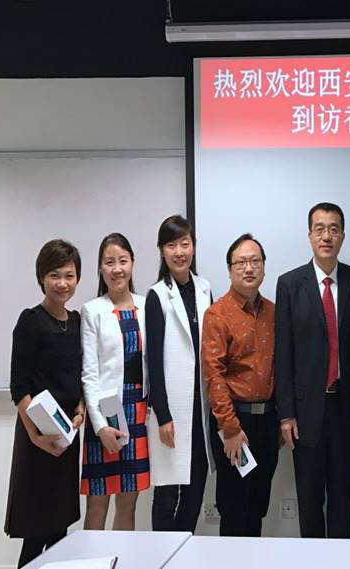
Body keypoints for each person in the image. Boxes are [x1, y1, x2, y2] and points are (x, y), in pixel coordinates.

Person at [275, 202, 350, 538]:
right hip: (305, 413)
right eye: (320, 229)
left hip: (346, 409)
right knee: (309, 502)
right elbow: (283, 354)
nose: (326, 236)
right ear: (309, 236)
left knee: (343, 501)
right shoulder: (289, 284)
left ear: (342, 236)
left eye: (333, 229)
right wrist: (286, 414)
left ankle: (343, 560)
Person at [5, 240, 84, 567]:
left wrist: (80, 409)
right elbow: (19, 386)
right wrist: (36, 436)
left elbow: (80, 374)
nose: (62, 283)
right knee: (36, 531)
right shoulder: (30, 321)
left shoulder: (77, 321)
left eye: (69, 275)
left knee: (59, 529)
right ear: (41, 278)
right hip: (36, 438)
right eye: (54, 275)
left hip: (67, 436)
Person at [202, 233, 279, 536]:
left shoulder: (273, 312)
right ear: (230, 269)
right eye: (241, 262)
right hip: (235, 424)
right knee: (234, 510)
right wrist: (230, 429)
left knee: (258, 507)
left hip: (267, 422)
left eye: (255, 261)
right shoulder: (217, 314)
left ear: (263, 267)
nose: (249, 268)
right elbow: (214, 375)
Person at [146, 215, 214, 532]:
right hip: (172, 410)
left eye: (185, 244)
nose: (179, 252)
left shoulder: (205, 288)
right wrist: (163, 414)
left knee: (195, 491)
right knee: (166, 494)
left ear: (193, 247)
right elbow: (154, 361)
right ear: (162, 250)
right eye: (171, 245)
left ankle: (184, 548)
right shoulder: (157, 295)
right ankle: (162, 553)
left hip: (201, 409)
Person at [80, 233, 150, 529]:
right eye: (109, 262)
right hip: (105, 414)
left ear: (132, 263)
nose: (117, 268)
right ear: (100, 268)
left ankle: (123, 555)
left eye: (123, 261)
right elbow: (89, 374)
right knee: (97, 504)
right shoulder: (92, 310)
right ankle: (93, 555)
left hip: (138, 413)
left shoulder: (147, 305)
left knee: (128, 503)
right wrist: (99, 426)